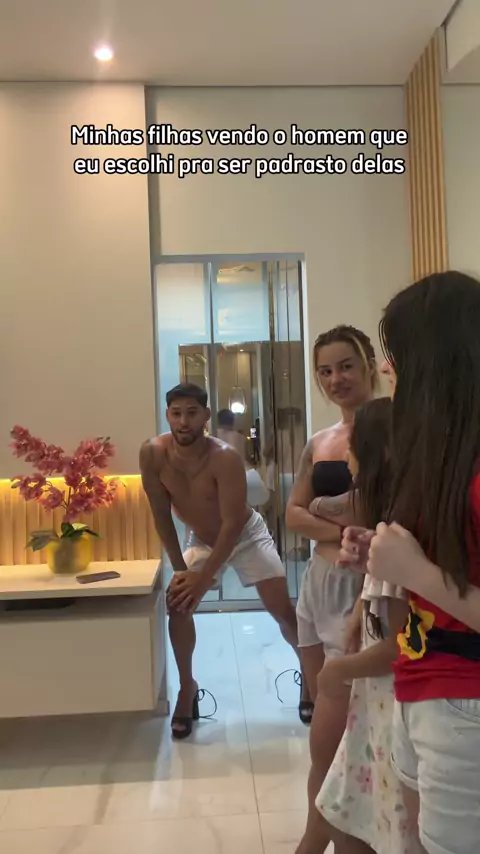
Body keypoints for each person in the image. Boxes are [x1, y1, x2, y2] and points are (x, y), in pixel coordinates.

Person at [339, 271, 480, 854]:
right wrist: (382, 556)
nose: (388, 369)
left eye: (397, 355)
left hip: (464, 700)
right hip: (427, 688)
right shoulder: (442, 456)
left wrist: (414, 571)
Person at [140, 382, 308, 739]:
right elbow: (161, 515)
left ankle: (308, 674)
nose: (183, 421)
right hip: (201, 539)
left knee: (281, 609)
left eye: (191, 413)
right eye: (176, 413)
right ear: (167, 415)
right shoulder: (153, 454)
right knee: (178, 604)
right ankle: (187, 688)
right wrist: (182, 572)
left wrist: (204, 580)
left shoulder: (224, 457)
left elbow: (232, 525)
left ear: (205, 416)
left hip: (246, 536)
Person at [313, 397, 421, 854]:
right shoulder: (390, 528)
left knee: (370, 824)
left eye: (354, 448)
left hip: (392, 716)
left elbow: (402, 645)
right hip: (375, 716)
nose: (347, 459)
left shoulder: (401, 538)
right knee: (349, 815)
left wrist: (340, 670)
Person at [286, 325, 378, 854]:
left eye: (345, 366)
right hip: (317, 584)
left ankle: (319, 843)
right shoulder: (320, 441)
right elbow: (291, 515)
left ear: (368, 364)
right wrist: (341, 525)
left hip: (361, 585)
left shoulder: (391, 432)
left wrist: (324, 519)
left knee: (337, 737)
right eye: (324, 370)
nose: (335, 379)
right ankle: (322, 838)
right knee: (322, 735)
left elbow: (380, 515)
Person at [217, 408, 269, 507]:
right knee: (254, 508)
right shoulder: (240, 437)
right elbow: (247, 456)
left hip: (229, 476)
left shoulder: (216, 436)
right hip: (248, 473)